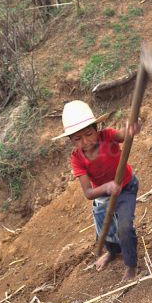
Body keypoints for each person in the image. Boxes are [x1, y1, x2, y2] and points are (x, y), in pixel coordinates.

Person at [52, 100, 140, 281]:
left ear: (97, 129)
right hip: (103, 193)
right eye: (77, 139)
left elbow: (122, 135)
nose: (85, 141)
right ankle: (112, 251)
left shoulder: (107, 136)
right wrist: (107, 187)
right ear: (71, 141)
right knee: (104, 226)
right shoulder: (77, 159)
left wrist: (130, 130)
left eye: (89, 134)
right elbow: (88, 193)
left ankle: (131, 266)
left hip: (125, 187)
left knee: (124, 227)